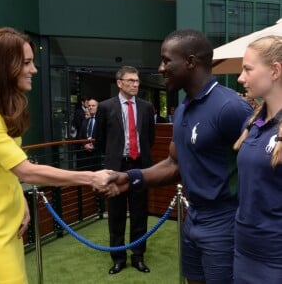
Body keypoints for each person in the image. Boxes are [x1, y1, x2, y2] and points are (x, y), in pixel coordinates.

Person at [104, 29, 253, 283]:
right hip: (192, 218)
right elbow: (175, 163)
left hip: (224, 223)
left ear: (191, 62)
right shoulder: (183, 110)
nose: (161, 68)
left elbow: (258, 168)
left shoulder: (231, 108)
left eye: (166, 60)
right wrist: (130, 178)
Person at [0, 27, 112, 284]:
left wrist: (21, 205)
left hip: (10, 221)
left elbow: (4, 169)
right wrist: (91, 177)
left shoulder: (1, 108)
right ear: (4, 66)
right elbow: (26, 170)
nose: (34, 70)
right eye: (27, 63)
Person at [95, 66, 155, 275]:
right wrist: (114, 157)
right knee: (116, 215)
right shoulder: (105, 107)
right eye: (130, 80)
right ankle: (118, 258)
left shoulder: (147, 107)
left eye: (137, 81)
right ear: (119, 83)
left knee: (140, 214)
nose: (135, 84)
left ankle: (138, 257)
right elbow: (100, 140)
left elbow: (150, 138)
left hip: (140, 166)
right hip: (116, 167)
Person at [233, 35, 282, 284]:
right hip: (243, 251)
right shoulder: (251, 124)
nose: (241, 78)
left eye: (248, 69)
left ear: (275, 71)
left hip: (275, 260)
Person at [77, 98, 100, 170]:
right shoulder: (85, 121)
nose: (91, 107)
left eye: (93, 105)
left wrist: (94, 145)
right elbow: (80, 136)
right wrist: (85, 145)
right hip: (86, 155)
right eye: (89, 106)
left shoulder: (102, 121)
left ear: (98, 107)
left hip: (98, 155)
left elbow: (105, 136)